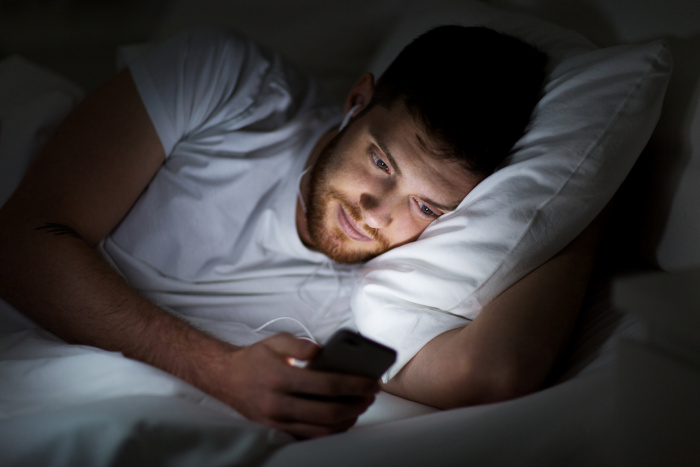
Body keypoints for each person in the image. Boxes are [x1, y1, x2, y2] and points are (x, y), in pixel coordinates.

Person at [0, 25, 601, 438]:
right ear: (357, 101)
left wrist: (590, 184)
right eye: (381, 162)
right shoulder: (230, 85)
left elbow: (493, 375)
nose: (374, 211)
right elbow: (22, 240)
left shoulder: (397, 291)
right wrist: (219, 371)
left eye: (425, 206)